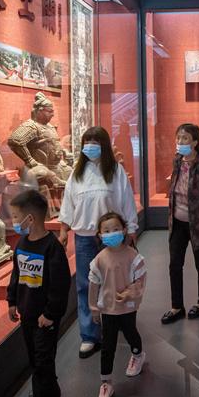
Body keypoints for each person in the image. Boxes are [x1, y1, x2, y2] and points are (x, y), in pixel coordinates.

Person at [58, 126, 138, 358]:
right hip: (84, 237)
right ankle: (90, 335)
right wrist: (63, 230)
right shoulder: (77, 173)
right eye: (87, 141)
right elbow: (68, 202)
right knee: (86, 285)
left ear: (104, 144)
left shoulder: (115, 170)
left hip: (111, 237)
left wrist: (131, 228)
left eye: (95, 141)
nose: (90, 146)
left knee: (115, 281)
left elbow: (126, 200)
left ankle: (117, 321)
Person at [7, 189, 71, 397]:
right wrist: (12, 300)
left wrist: (50, 314)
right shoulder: (22, 245)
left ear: (30, 219)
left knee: (43, 362)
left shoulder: (52, 248)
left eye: (15, 217)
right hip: (27, 315)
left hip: (45, 319)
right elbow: (16, 274)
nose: (13, 221)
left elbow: (60, 285)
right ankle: (49, 391)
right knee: (36, 360)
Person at [162, 123, 199, 324]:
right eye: (178, 137)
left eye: (185, 138)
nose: (180, 141)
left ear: (195, 142)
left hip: (198, 224)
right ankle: (176, 306)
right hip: (177, 221)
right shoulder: (177, 160)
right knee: (174, 264)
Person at [88, 212, 147, 397]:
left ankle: (138, 354)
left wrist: (131, 292)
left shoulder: (133, 256)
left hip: (128, 307)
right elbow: (93, 285)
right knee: (108, 345)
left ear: (123, 230)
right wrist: (94, 308)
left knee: (131, 333)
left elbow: (141, 280)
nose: (111, 233)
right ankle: (106, 383)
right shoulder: (99, 260)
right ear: (100, 235)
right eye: (106, 231)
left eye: (115, 229)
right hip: (108, 309)